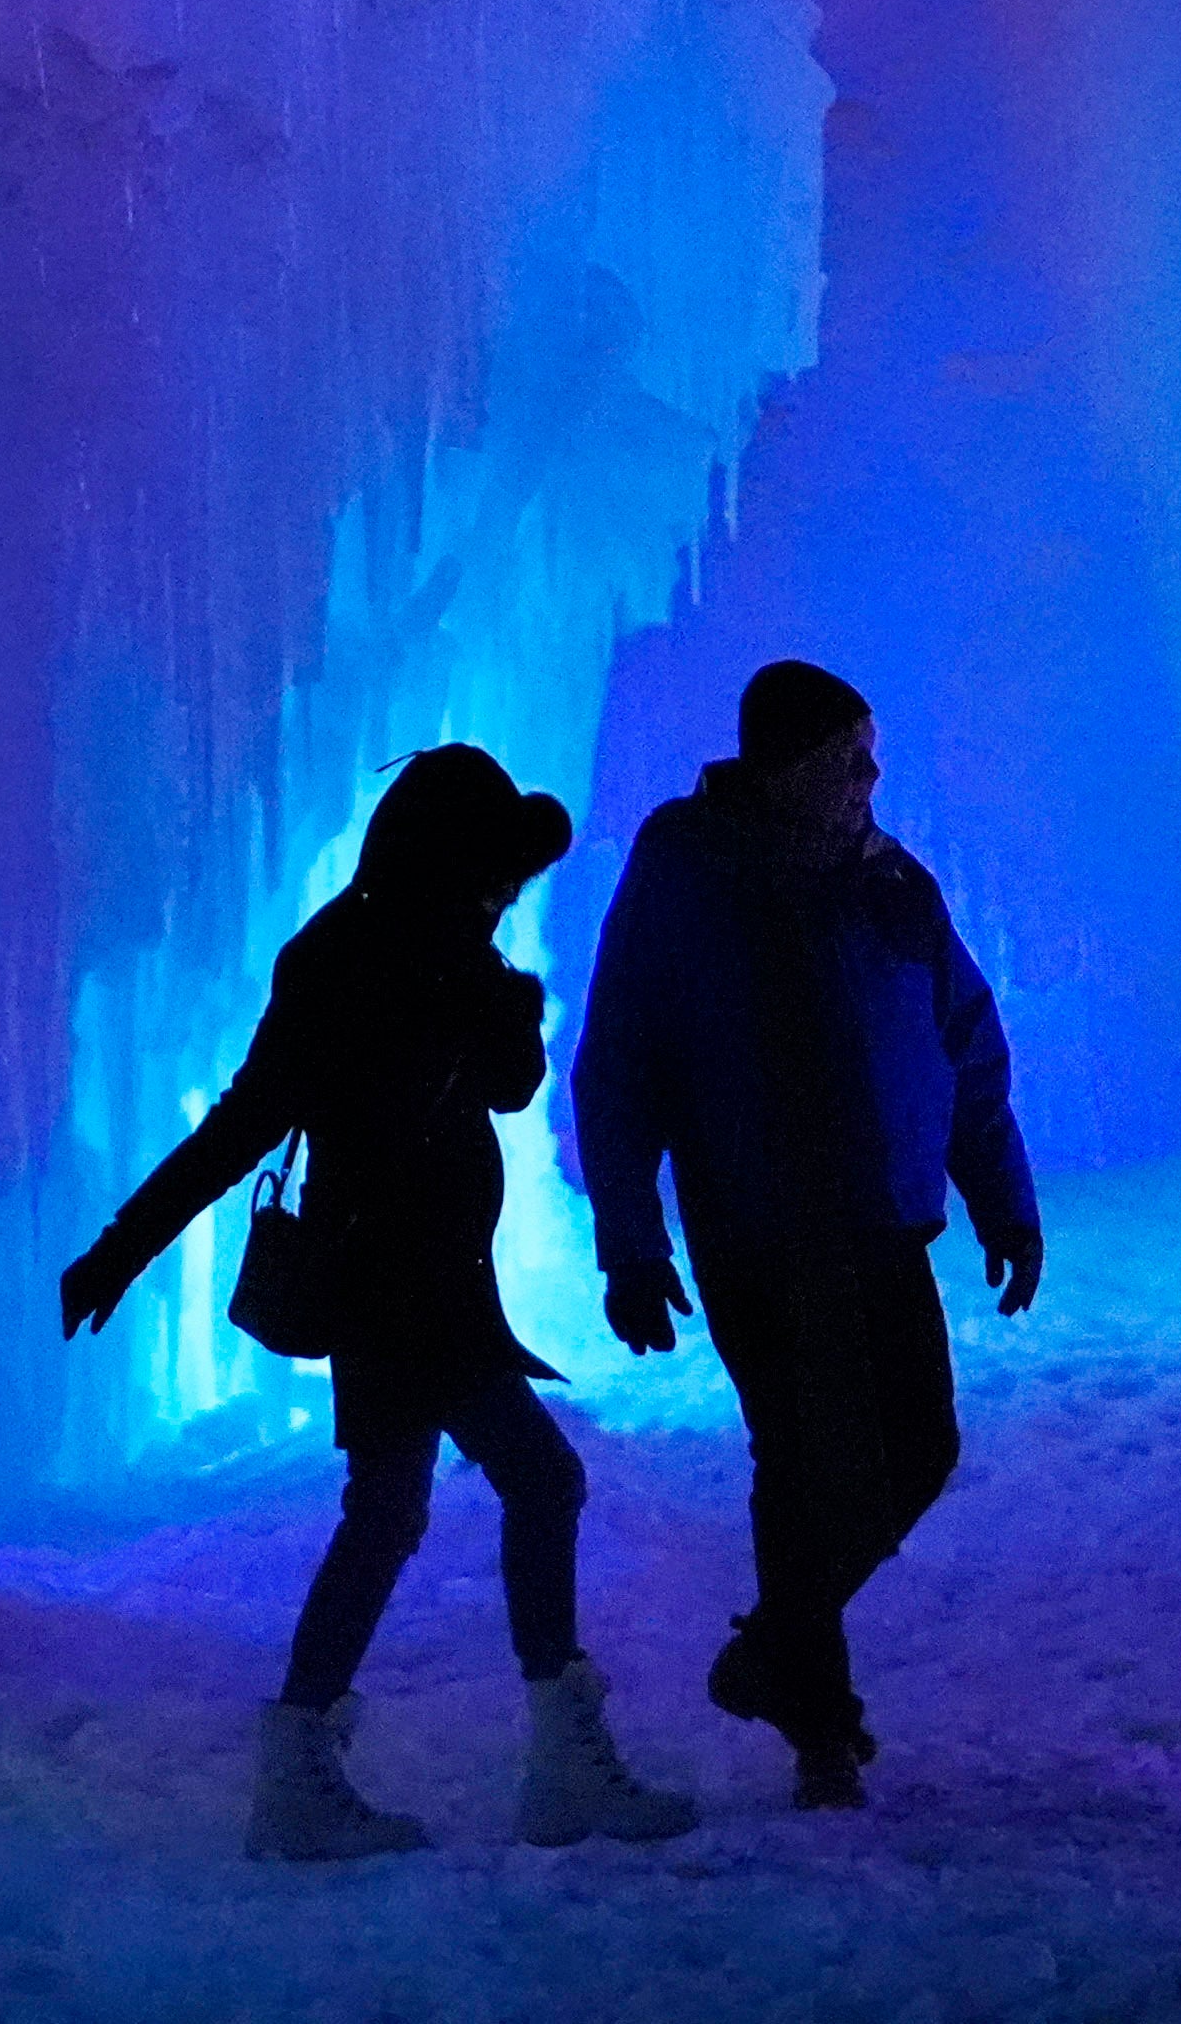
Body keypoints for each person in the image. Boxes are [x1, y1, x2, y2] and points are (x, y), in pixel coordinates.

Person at [61, 746, 700, 1861]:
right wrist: (121, 1247)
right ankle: (548, 1762)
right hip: (406, 1286)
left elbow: (493, 1087)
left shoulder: (407, 951)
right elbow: (252, 1123)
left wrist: (499, 993)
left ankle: (304, 1764)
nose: (505, 892)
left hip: (413, 1280)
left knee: (392, 1511)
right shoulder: (369, 960)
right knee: (536, 1480)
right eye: (495, 871)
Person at [574, 660, 1039, 1809]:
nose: (870, 779)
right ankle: (819, 1724)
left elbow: (964, 1042)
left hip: (879, 1220)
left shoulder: (890, 880)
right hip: (756, 1226)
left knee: (918, 1447)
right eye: (846, 759)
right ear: (784, 767)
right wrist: (631, 1243)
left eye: (870, 756)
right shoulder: (690, 868)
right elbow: (623, 1059)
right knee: (797, 1461)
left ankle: (780, 1650)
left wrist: (1003, 1198)